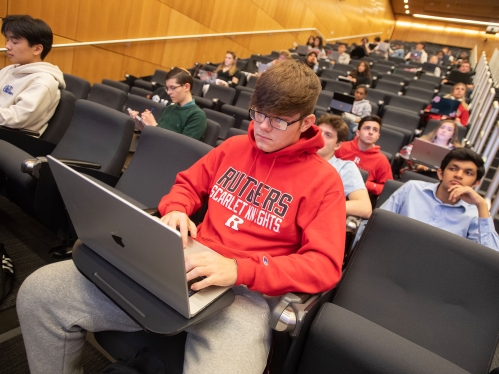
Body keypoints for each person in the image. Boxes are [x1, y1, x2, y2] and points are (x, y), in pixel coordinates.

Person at [17, 59, 346, 374]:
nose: (261, 127)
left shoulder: (324, 182)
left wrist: (239, 269)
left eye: (278, 121)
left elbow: (324, 266)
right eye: (258, 113)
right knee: (41, 295)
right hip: (182, 264)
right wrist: (176, 208)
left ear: (306, 123)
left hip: (246, 293)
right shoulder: (233, 147)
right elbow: (187, 184)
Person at [381, 148, 499, 252]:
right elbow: (379, 223)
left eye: (468, 173)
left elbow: (490, 259)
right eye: (453, 168)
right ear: (441, 173)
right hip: (392, 252)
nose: (458, 175)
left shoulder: (474, 214)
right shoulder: (412, 188)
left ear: (476, 183)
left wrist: (482, 205)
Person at [0, 15, 65, 137]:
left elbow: (16, 118)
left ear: (37, 49)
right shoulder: (11, 69)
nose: (7, 46)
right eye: (7, 40)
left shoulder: (43, 82)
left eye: (14, 42)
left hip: (12, 140)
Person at [317, 114, 372, 219]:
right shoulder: (298, 156)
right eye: (319, 131)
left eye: (328, 135)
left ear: (337, 145)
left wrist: (320, 206)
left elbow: (365, 208)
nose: (320, 136)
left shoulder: (345, 168)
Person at [129, 67, 206, 140]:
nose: (168, 92)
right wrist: (143, 128)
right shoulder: (169, 108)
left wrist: (154, 126)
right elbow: (158, 137)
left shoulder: (197, 116)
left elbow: (183, 147)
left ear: (186, 87)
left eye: (173, 88)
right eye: (167, 88)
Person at [335, 115, 393, 195]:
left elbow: (387, 188)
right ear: (358, 132)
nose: (371, 132)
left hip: (360, 197)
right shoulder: (341, 147)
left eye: (375, 130)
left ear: (378, 137)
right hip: (333, 188)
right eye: (367, 128)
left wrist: (366, 184)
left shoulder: (382, 160)